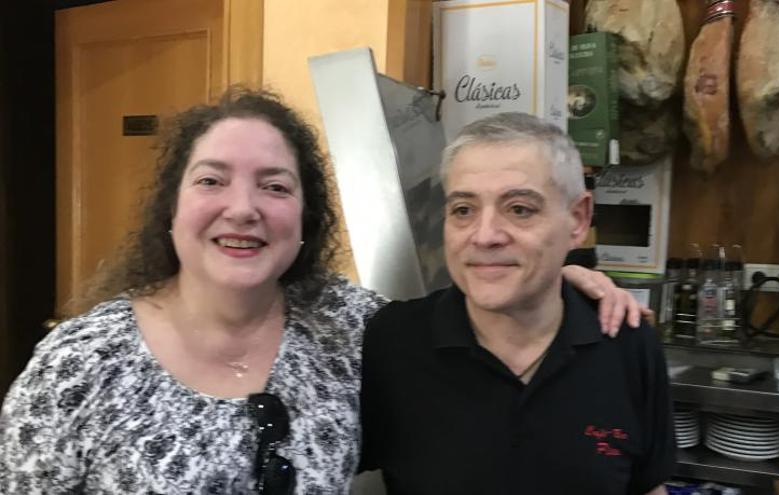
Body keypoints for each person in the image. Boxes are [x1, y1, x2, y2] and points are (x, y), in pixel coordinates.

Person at [0, 89, 643, 494]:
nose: (244, 208)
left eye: (275, 186)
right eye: (211, 181)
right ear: (170, 209)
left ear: (305, 221)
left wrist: (557, 275)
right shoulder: (78, 366)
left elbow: (480, 314)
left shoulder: (351, 328)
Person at [360, 112, 676, 494]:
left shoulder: (628, 343)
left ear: (577, 219)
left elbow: (647, 487)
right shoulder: (391, 341)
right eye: (464, 210)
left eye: (519, 209)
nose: (485, 235)